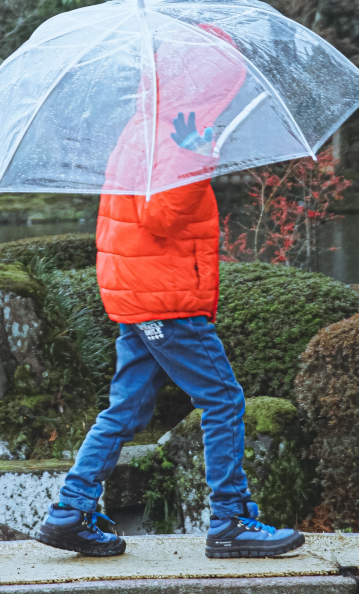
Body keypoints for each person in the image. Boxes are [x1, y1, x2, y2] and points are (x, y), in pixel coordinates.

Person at [35, 36, 305, 560]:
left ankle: (70, 511)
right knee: (223, 399)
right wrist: (200, 152)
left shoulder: (146, 125)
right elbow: (160, 216)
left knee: (126, 409)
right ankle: (231, 519)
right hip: (165, 300)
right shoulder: (176, 134)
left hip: (140, 295)